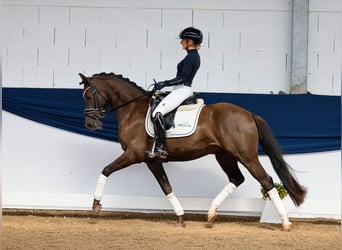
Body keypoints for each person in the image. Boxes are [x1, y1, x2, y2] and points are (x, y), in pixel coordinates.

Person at [146, 27, 203, 159]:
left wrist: (164, 83)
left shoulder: (192, 57)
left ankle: (161, 147)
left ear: (190, 41)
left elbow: (182, 78)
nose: (181, 42)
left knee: (157, 113)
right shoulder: (191, 56)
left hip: (183, 89)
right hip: (179, 89)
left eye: (183, 40)